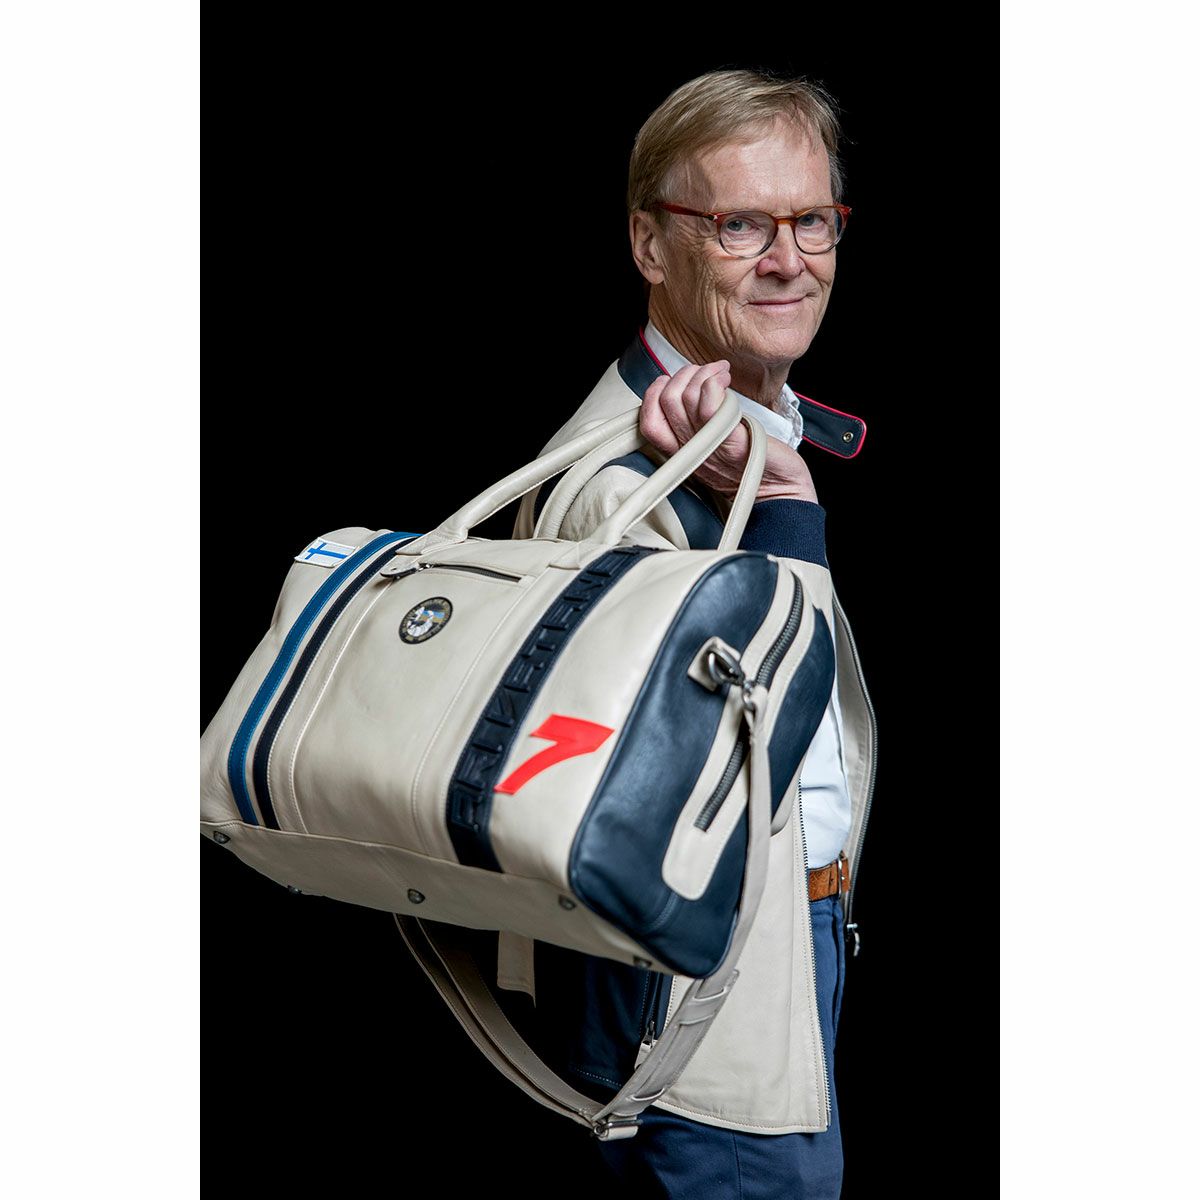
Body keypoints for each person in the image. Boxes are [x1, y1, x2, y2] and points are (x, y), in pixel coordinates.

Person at [490, 69, 878, 1199]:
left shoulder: (742, 430)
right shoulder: (623, 483)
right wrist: (792, 520)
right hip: (694, 1022)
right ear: (651, 246)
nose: (788, 260)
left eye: (812, 220)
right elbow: (672, 803)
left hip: (778, 963)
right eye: (740, 224)